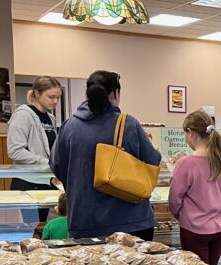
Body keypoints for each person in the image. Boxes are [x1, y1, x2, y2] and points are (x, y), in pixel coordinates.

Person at [51, 70, 161, 240]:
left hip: (84, 222)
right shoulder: (128, 124)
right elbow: (153, 160)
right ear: (116, 93)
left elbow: (57, 165)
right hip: (131, 221)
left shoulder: (69, 126)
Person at [169, 110, 221, 265]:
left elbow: (174, 200)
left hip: (195, 228)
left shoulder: (186, 162)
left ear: (190, 132)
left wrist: (180, 215)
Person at [7, 75, 61, 187]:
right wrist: (46, 162)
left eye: (58, 97)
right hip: (27, 181)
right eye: (51, 97)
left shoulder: (51, 118)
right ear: (37, 93)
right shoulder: (23, 115)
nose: (55, 101)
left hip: (46, 179)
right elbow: (15, 151)